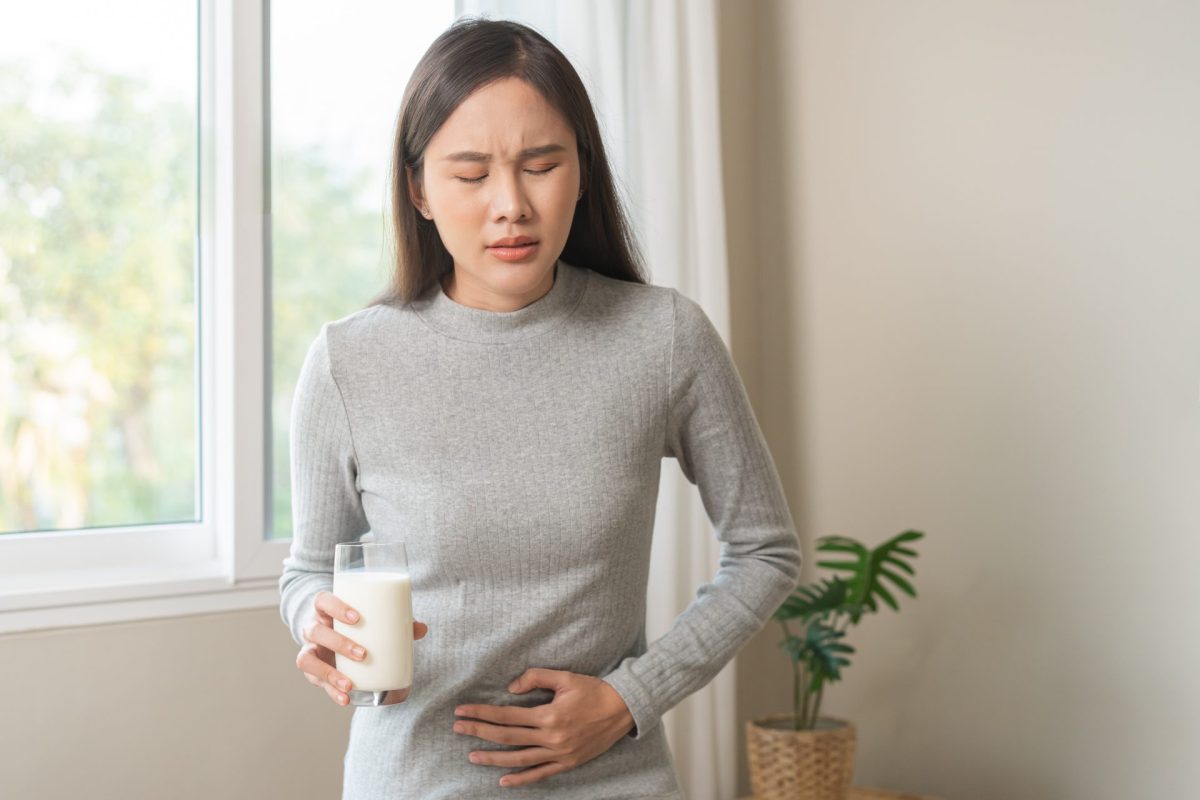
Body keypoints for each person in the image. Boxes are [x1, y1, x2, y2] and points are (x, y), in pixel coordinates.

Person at [279, 16, 803, 800]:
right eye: (470, 173)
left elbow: (767, 550)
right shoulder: (349, 361)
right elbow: (310, 571)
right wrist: (315, 625)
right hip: (411, 779)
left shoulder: (661, 337)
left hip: (616, 781)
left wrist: (633, 697)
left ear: (581, 173)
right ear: (419, 188)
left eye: (540, 164)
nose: (510, 204)